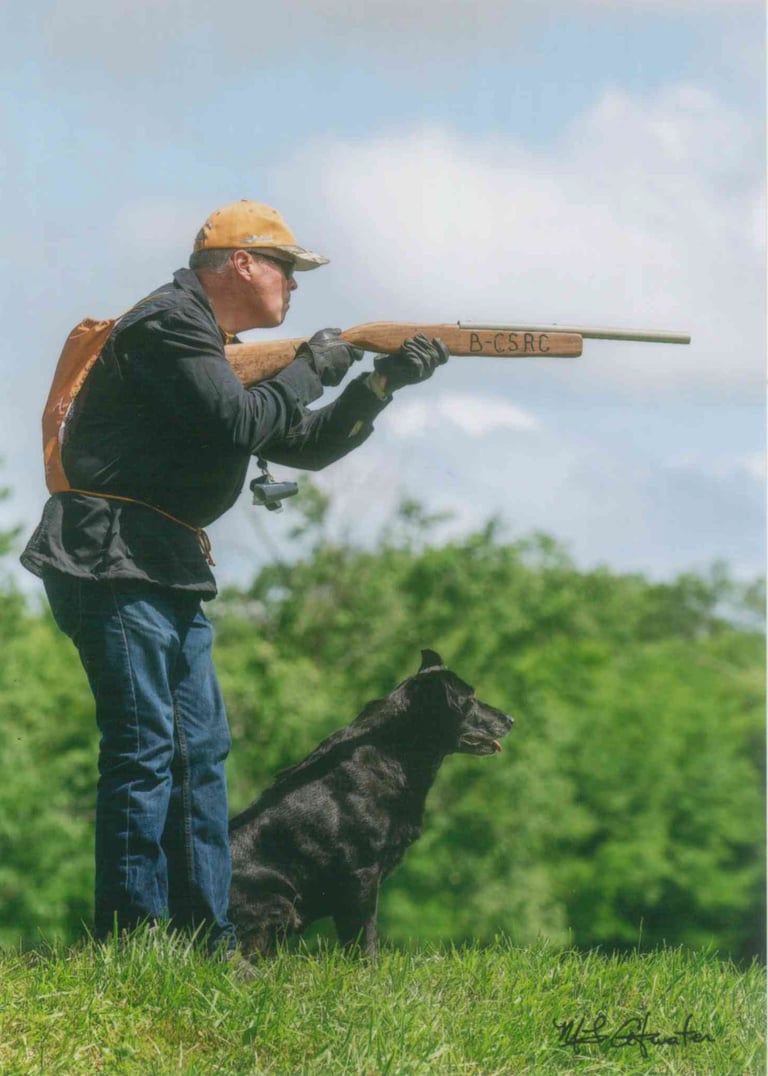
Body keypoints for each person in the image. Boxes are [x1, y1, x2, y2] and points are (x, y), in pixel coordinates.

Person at [20, 199, 449, 953]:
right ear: (242, 263)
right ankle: (132, 943)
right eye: (286, 267)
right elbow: (241, 424)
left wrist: (378, 385)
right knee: (146, 748)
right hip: (109, 555)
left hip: (164, 562)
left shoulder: (215, 345)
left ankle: (206, 943)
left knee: (201, 753)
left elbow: (304, 445)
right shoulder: (169, 324)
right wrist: (313, 366)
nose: (295, 283)